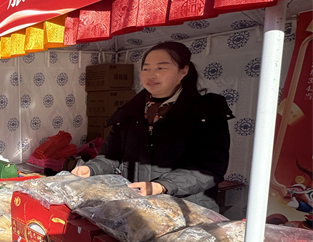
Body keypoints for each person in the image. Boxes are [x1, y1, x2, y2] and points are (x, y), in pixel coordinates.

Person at [72, 41, 233, 210]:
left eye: (161, 68)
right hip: (138, 207)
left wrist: (162, 185)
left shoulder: (206, 113)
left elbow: (209, 168)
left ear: (183, 71)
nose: (151, 75)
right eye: (146, 68)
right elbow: (110, 156)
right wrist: (92, 169)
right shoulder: (130, 112)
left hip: (186, 210)